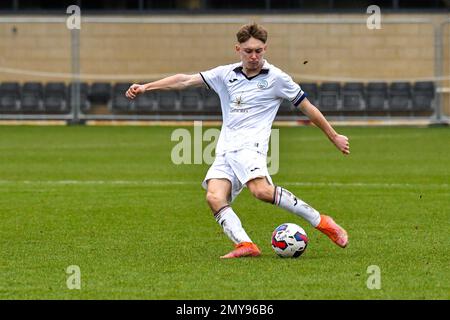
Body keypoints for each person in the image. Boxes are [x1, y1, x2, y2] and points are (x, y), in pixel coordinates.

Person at [126, 23, 349, 259]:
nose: (254, 56)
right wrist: (146, 87)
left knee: (261, 191)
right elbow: (184, 80)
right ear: (238, 49)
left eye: (259, 51)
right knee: (214, 196)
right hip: (225, 149)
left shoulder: (277, 78)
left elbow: (308, 108)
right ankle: (245, 244)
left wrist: (333, 136)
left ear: (265, 49)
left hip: (250, 147)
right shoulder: (225, 74)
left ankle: (322, 222)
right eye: (248, 51)